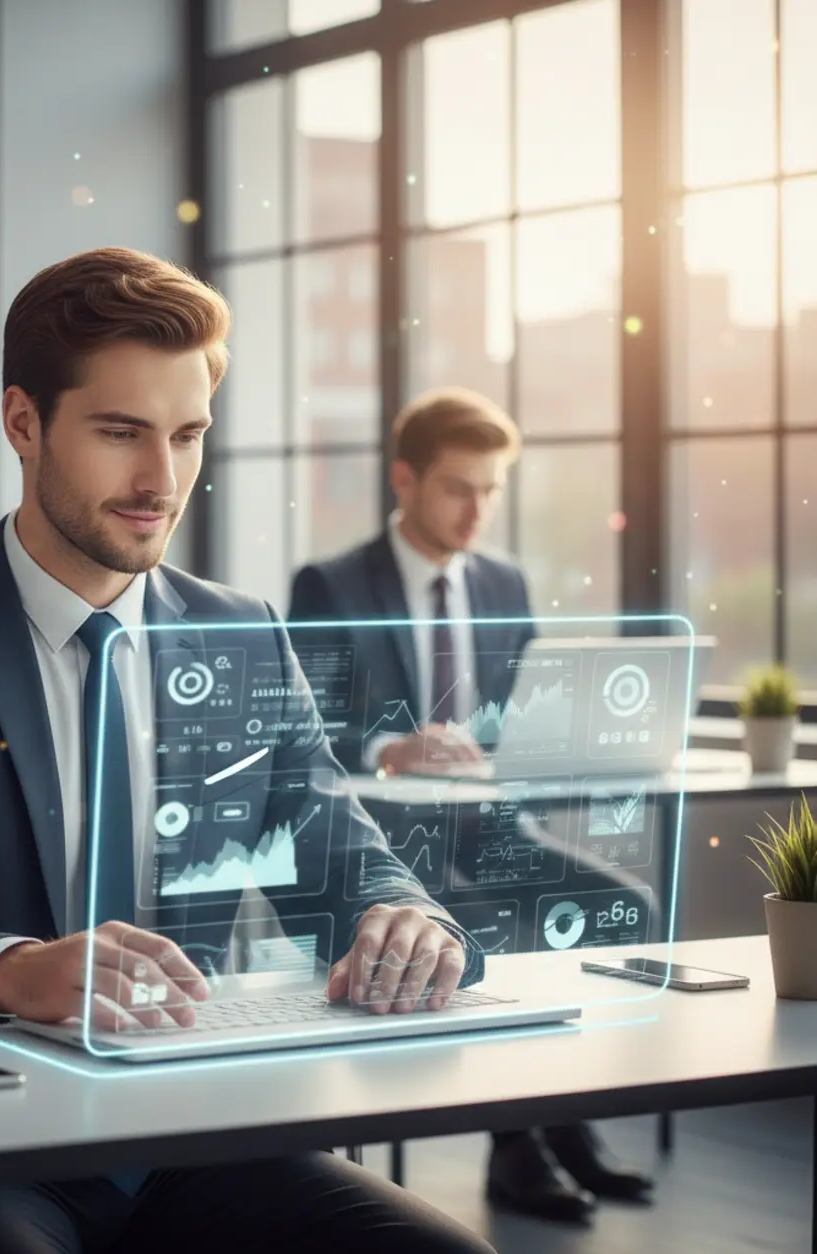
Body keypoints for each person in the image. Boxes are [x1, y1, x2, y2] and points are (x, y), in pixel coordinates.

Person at [0, 247, 497, 1254]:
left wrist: (403, 918)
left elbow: (343, 859)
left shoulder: (244, 636)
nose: (162, 481)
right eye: (120, 433)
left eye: (188, 435)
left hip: (187, 1132)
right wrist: (10, 970)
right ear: (23, 423)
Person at [287, 387, 654, 1225]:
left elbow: (520, 716)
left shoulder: (502, 580)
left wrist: (567, 742)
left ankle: (570, 1118)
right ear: (405, 480)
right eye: (459, 488)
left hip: (491, 829)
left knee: (625, 905)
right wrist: (390, 748)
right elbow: (306, 731)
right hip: (390, 842)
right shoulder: (332, 585)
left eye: (491, 490)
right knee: (491, 926)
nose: (477, 510)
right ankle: (516, 1144)